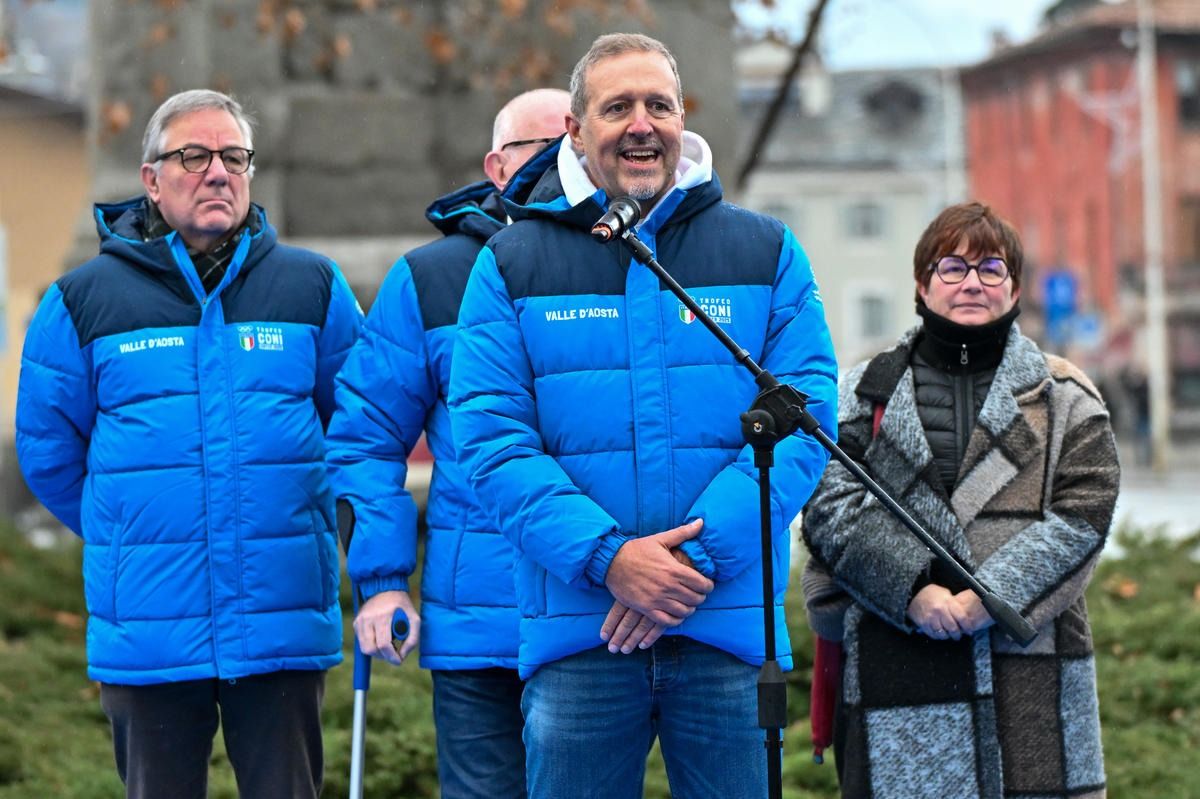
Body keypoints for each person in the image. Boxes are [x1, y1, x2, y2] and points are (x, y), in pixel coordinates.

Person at [447, 33, 838, 798]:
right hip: (581, 636)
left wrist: (691, 562)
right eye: (617, 106)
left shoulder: (765, 251)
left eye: (658, 104)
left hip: (725, 630)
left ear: (683, 117)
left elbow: (806, 414)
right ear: (575, 130)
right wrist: (609, 559)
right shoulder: (511, 263)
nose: (640, 124)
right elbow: (492, 440)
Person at [16, 89, 362, 799]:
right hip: (150, 626)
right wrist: (126, 526)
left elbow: (359, 430)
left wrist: (319, 519)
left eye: (234, 156)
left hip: (280, 618)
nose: (218, 173)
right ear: (151, 178)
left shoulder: (313, 287)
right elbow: (47, 449)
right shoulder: (83, 300)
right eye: (195, 156)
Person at [801, 202, 1118, 799]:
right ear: (922, 285)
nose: (972, 282)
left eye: (991, 268)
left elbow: (1085, 514)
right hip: (898, 664)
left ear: (1015, 288)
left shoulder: (1067, 396)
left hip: (1033, 670)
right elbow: (828, 507)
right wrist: (914, 591)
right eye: (952, 267)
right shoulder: (860, 393)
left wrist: (986, 600)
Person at [324, 87, 571, 798]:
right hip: (478, 622)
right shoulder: (431, 279)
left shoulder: (633, 261)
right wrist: (381, 582)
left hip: (602, 615)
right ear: (497, 166)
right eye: (541, 147)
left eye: (573, 145)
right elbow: (366, 437)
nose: (561, 163)